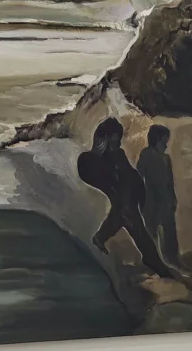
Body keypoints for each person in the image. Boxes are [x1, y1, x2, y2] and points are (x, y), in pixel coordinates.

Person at [77, 119, 173, 279]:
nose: (118, 142)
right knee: (131, 220)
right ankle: (154, 262)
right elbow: (106, 181)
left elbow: (131, 174)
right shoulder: (90, 160)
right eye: (115, 138)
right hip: (123, 201)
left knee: (124, 214)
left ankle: (101, 237)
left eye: (119, 138)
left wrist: (140, 191)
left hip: (127, 200)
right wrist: (121, 185)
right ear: (105, 138)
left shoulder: (118, 155)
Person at [137, 124, 182, 269]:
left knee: (169, 232)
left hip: (166, 201)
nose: (166, 145)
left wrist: (173, 199)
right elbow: (139, 177)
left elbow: (170, 182)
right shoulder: (146, 154)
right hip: (150, 201)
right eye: (164, 141)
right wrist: (140, 199)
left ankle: (173, 260)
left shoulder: (166, 158)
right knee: (151, 233)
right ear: (157, 139)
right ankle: (154, 262)